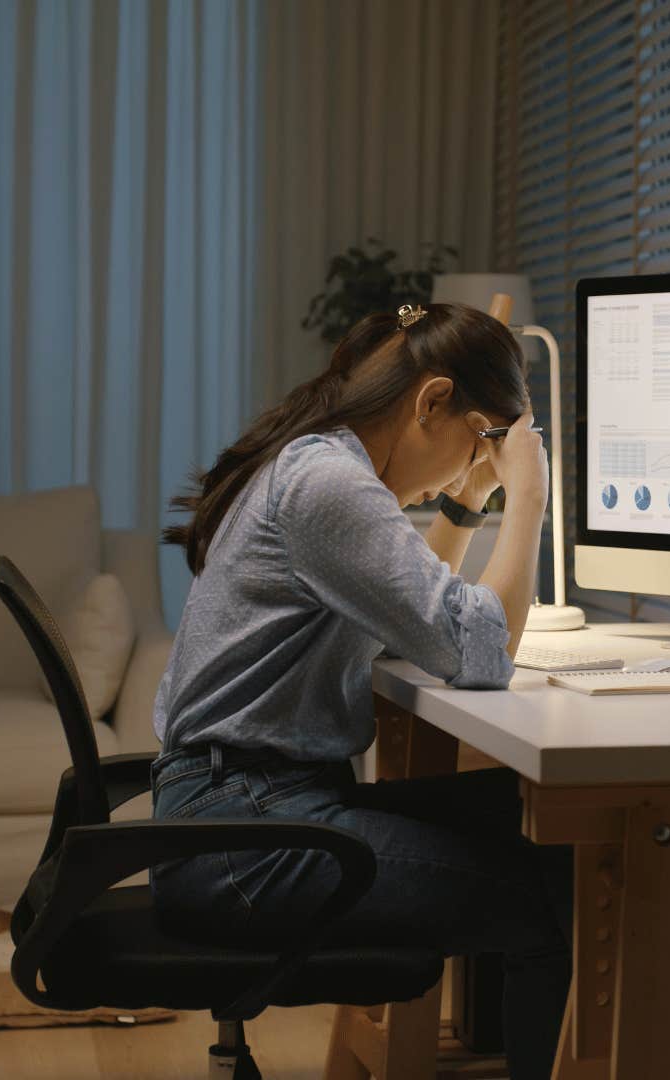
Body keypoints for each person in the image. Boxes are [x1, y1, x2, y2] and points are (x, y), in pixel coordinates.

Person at [149, 302, 569, 1077]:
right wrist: (529, 499)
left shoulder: (316, 463)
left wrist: (469, 498)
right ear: (431, 402)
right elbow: (479, 650)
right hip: (243, 838)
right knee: (542, 903)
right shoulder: (327, 485)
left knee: (553, 840)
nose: (476, 461)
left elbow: (409, 613)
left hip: (244, 807)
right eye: (480, 440)